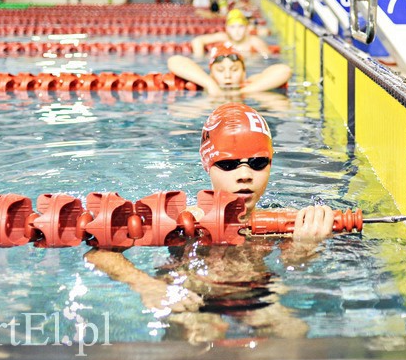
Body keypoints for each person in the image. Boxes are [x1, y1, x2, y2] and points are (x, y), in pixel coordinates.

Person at [85, 102, 335, 342]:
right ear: (207, 165)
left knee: (293, 332)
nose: (245, 175)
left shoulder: (287, 222)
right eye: (228, 164)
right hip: (189, 293)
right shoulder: (182, 219)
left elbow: (294, 266)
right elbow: (99, 254)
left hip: (254, 291)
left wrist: (305, 247)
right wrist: (146, 285)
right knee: (200, 336)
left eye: (258, 163)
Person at [168, 42, 289, 96]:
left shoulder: (250, 82)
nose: (227, 76)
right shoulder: (207, 82)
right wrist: (210, 84)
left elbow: (284, 70)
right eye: (220, 70)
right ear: (211, 74)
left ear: (244, 73)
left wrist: (242, 92)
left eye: (234, 69)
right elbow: (174, 60)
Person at [191, 8, 270, 58]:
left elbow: (268, 58)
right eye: (232, 27)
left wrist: (254, 59)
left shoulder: (254, 41)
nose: (236, 31)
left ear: (246, 28)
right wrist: (200, 58)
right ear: (227, 29)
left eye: (240, 27)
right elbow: (197, 41)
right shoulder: (224, 37)